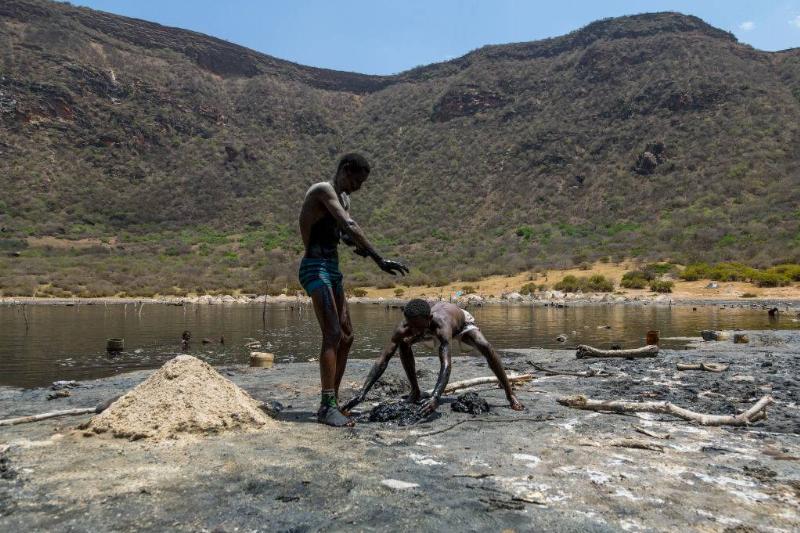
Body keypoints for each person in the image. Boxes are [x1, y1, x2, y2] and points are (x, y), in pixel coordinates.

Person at [298, 153, 409, 427]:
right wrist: (378, 258)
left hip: (332, 269)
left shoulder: (344, 199)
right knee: (333, 333)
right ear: (346, 170)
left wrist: (358, 248)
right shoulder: (323, 190)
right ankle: (326, 405)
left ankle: (332, 401)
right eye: (358, 180)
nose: (359, 186)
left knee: (347, 336)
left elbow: (345, 235)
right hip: (315, 267)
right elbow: (348, 224)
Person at [343, 299, 524, 416]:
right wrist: (363, 392)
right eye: (409, 325)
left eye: (416, 327)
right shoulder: (408, 326)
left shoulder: (441, 325)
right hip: (428, 330)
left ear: (428, 318)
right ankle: (415, 391)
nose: (411, 331)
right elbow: (384, 358)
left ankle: (510, 394)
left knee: (485, 346)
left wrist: (435, 397)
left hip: (461, 325)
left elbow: (445, 364)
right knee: (404, 343)